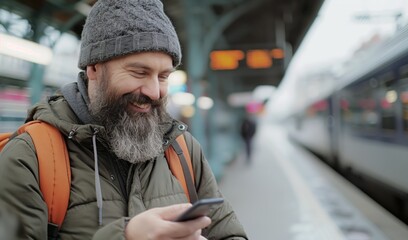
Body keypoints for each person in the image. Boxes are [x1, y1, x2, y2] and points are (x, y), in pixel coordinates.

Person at [0, 0, 247, 239]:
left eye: (163, 76)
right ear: (94, 69)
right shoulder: (30, 156)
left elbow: (227, 232)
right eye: (139, 72)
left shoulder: (182, 149)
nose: (154, 91)